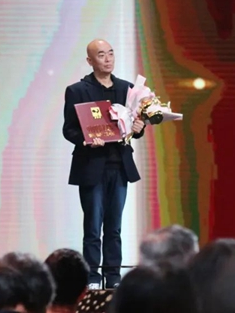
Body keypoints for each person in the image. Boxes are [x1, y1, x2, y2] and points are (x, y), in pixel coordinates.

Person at [62, 39, 146, 289]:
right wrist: (87, 140)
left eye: (111, 53)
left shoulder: (127, 89)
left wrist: (138, 128)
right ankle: (92, 279)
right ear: (90, 61)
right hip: (91, 166)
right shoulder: (77, 90)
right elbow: (69, 129)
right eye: (101, 55)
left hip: (119, 166)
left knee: (114, 227)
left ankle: (114, 277)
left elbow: (133, 127)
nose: (108, 59)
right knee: (92, 226)